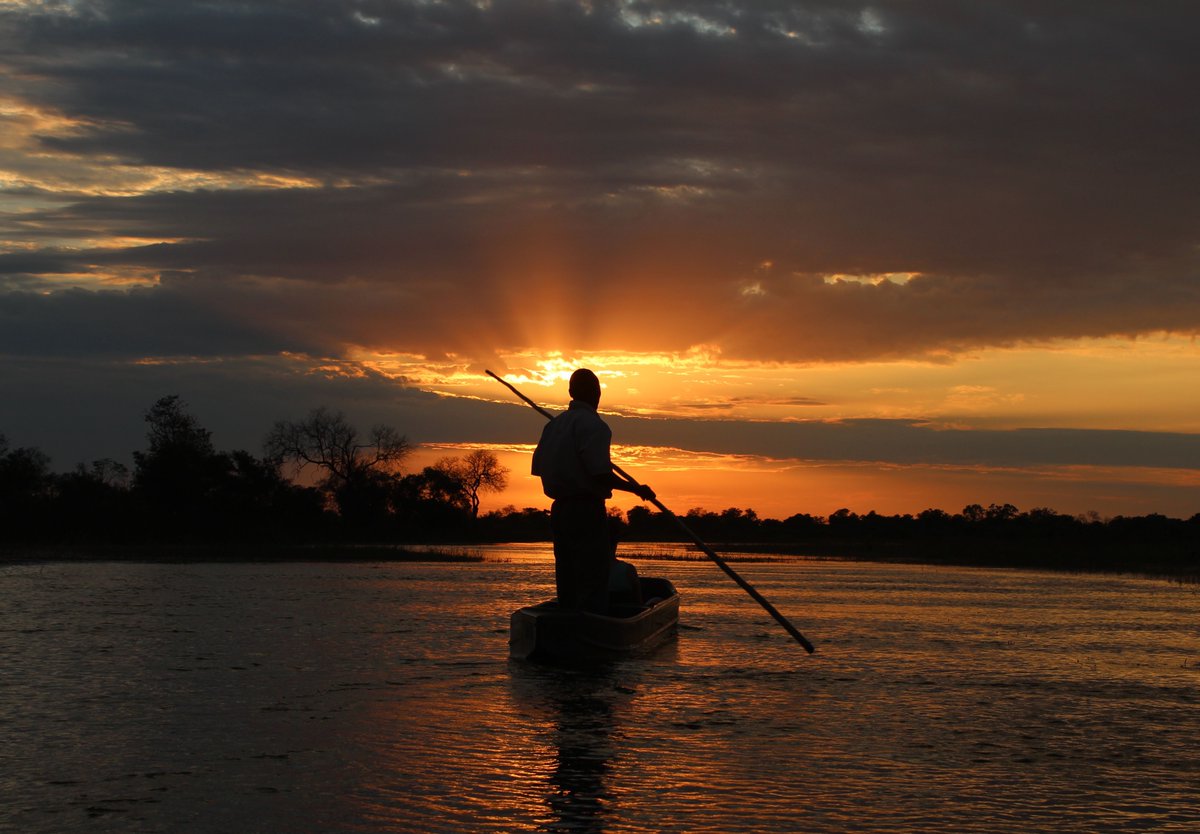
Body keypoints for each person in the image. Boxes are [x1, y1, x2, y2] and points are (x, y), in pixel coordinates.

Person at [531, 369, 655, 613]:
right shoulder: (595, 426)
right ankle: (592, 626)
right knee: (593, 576)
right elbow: (600, 474)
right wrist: (636, 489)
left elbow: (540, 469)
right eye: (597, 391)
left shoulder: (554, 426)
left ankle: (569, 623)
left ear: (570, 393)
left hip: (560, 510)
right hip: (586, 509)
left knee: (567, 575)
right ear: (595, 393)